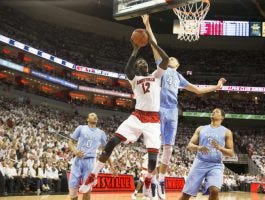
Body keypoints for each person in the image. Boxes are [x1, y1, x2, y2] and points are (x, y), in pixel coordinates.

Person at [141, 14, 227, 199]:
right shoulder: (162, 66)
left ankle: (161, 180)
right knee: (156, 145)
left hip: (172, 110)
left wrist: (216, 86)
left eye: (172, 58)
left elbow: (197, 90)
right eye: (168, 57)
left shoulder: (179, 77)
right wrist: (147, 24)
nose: (169, 58)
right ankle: (152, 180)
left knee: (169, 147)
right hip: (159, 108)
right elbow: (154, 44)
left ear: (177, 64)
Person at [79, 31, 169, 198]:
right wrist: (135, 51)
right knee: (112, 142)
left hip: (153, 120)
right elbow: (127, 69)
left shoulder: (156, 76)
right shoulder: (134, 79)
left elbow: (165, 60)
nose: (142, 62)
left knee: (152, 160)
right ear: (137, 67)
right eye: (139, 62)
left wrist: (152, 44)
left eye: (144, 61)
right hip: (137, 116)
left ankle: (149, 179)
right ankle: (93, 175)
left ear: (148, 67)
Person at [178, 108, 234, 200]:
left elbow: (231, 153)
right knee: (186, 195)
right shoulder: (201, 128)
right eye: (213, 111)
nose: (213, 112)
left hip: (215, 164)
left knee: (215, 190)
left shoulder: (227, 132)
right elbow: (189, 146)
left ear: (222, 117)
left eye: (217, 112)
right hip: (199, 162)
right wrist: (199, 147)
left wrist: (219, 148)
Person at [68, 113, 109, 200]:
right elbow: (70, 142)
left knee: (87, 189)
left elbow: (106, 151)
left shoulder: (101, 133)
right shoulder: (81, 128)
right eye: (92, 115)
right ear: (87, 119)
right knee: (73, 188)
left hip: (90, 161)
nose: (95, 116)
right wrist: (75, 151)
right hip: (78, 160)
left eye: (96, 116)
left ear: (97, 120)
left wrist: (112, 165)